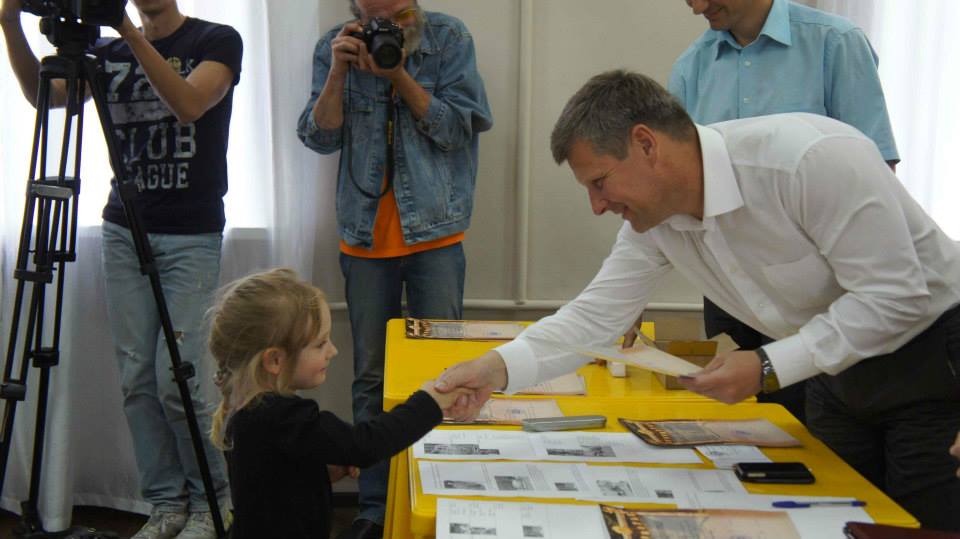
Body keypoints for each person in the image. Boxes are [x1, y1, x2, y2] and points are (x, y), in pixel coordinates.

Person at [436, 70, 960, 531]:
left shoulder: (808, 160)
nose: (597, 205)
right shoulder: (655, 221)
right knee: (836, 520)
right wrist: (493, 368)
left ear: (646, 144)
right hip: (833, 375)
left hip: (932, 362)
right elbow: (597, 317)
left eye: (600, 182)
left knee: (925, 523)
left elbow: (895, 297)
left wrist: (768, 365)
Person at [1, 1, 242, 538]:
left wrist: (128, 32)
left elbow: (190, 104)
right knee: (137, 380)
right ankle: (166, 503)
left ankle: (212, 501)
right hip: (124, 229)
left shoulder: (216, 40)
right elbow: (46, 99)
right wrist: (9, 23)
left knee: (179, 379)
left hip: (191, 232)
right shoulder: (105, 53)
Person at [642, 0, 901, 423]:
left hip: (814, 289)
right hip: (730, 284)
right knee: (741, 427)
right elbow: (674, 184)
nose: (697, 7)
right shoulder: (692, 65)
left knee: (814, 428)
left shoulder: (834, 43)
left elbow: (875, 172)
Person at [297, 1, 491, 537]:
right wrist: (339, 72)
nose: (384, 17)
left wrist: (397, 73)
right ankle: (374, 509)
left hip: (435, 235)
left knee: (445, 373)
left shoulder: (449, 38)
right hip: (364, 237)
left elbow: (459, 130)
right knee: (371, 379)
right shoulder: (334, 45)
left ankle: (441, 497)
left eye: (396, 12)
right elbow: (318, 137)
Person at [206, 268, 466, 539]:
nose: (333, 350)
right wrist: (430, 401)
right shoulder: (285, 417)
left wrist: (319, 471)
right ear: (275, 360)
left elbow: (273, 484)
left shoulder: (251, 411)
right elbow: (367, 444)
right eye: (320, 344)